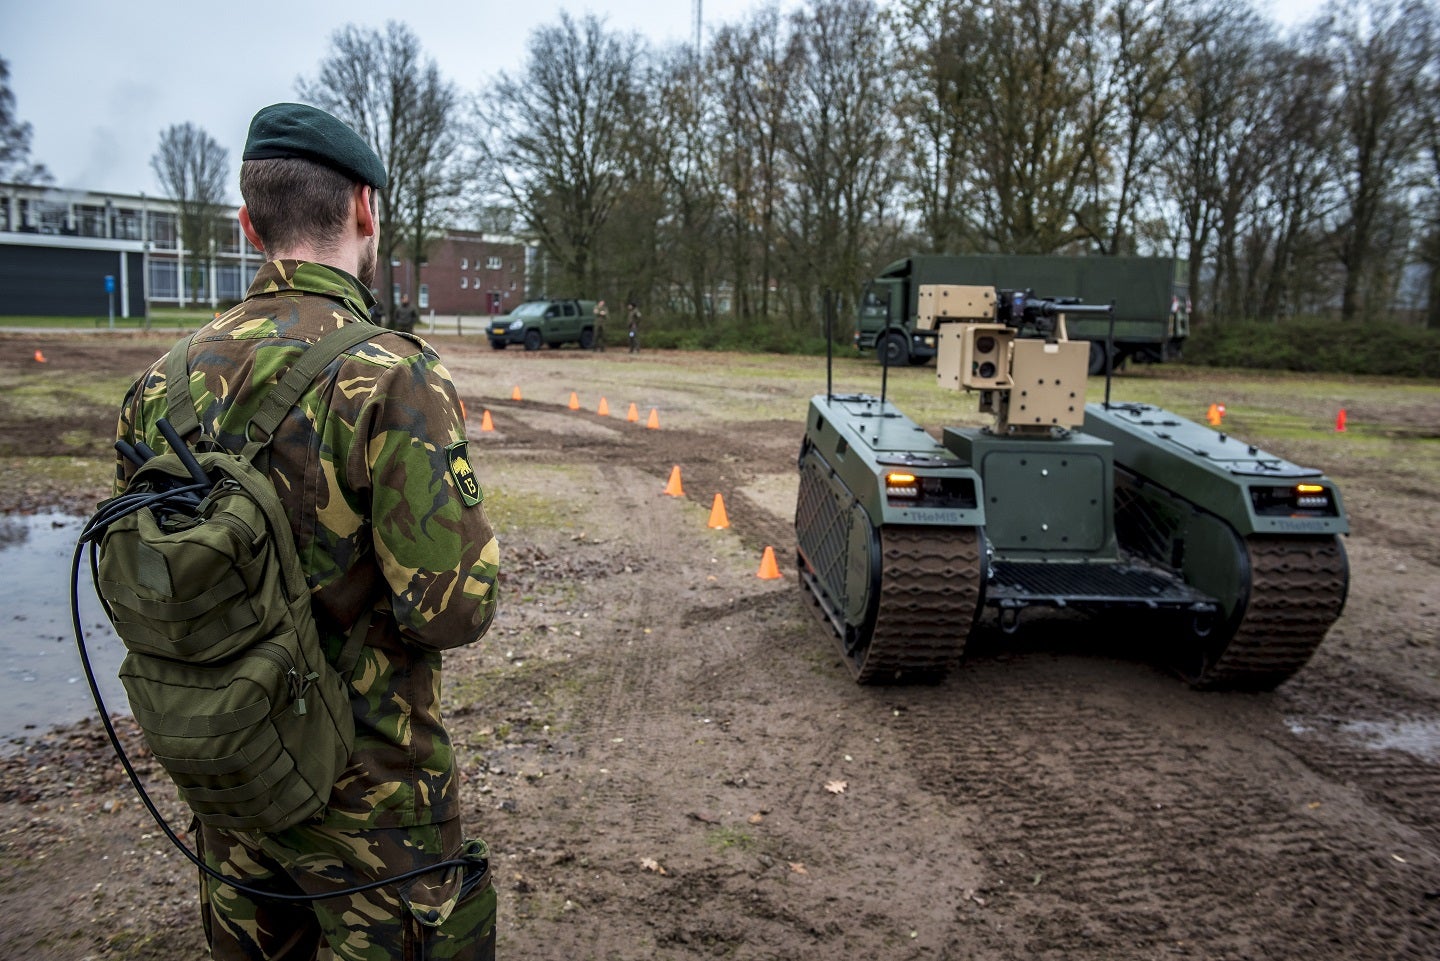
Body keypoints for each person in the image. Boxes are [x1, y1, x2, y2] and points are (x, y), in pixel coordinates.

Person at [113, 102, 500, 961]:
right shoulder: (392, 374)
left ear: (248, 223)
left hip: (233, 776)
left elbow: (150, 590)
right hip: (374, 806)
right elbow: (453, 611)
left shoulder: (156, 388)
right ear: (366, 208)